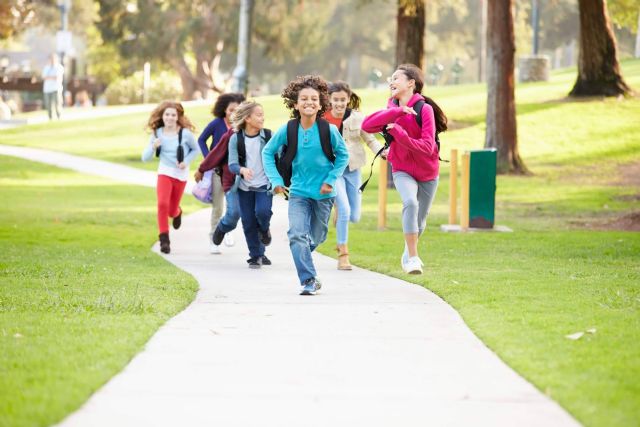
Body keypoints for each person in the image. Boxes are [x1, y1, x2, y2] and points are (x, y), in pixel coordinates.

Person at [262, 75, 349, 295]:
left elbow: (342, 156)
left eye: (314, 99)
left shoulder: (328, 130)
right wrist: (276, 181)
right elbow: (267, 152)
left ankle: (302, 255)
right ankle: (309, 280)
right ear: (295, 104)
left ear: (321, 104)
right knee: (296, 235)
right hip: (299, 192)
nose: (309, 102)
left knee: (317, 236)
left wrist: (330, 180)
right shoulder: (288, 129)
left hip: (324, 194)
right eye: (304, 99)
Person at [362, 64, 448, 275]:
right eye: (390, 78)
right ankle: (413, 257)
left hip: (428, 172)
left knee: (421, 220)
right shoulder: (392, 108)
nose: (391, 82)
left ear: (411, 83)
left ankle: (408, 254)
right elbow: (367, 126)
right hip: (401, 168)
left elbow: (428, 147)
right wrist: (397, 112)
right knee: (410, 203)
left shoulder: (424, 109)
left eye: (396, 78)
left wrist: (400, 134)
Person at [323, 81, 383, 270]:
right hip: (333, 171)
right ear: (329, 100)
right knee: (345, 210)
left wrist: (381, 152)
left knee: (354, 216)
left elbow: (370, 139)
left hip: (353, 169)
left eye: (343, 100)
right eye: (335, 100)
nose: (339, 104)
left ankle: (338, 211)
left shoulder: (358, 118)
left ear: (348, 99)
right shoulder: (322, 119)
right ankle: (343, 255)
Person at [142, 101, 199, 254]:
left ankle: (177, 212)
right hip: (164, 172)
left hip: (180, 175)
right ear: (162, 116)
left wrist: (186, 162)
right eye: (167, 114)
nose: (170, 117)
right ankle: (164, 239)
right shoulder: (157, 133)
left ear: (178, 117)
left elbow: (196, 150)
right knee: (162, 204)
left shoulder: (185, 134)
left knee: (171, 210)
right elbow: (145, 158)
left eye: (173, 115)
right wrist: (153, 147)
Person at [227, 101, 274, 268]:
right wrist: (242, 169)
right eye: (259, 115)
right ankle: (256, 256)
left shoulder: (269, 136)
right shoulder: (236, 139)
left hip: (263, 186)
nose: (263, 118)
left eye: (263, 114)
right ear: (247, 118)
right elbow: (232, 164)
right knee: (248, 222)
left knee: (262, 213)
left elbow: (281, 156)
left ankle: (265, 229)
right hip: (244, 188)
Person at [198, 93, 245, 254]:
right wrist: (208, 158)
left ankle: (227, 230)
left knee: (234, 207)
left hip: (236, 174)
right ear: (224, 110)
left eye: (237, 110)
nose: (233, 113)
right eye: (231, 109)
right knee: (218, 206)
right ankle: (213, 238)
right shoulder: (216, 124)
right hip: (217, 171)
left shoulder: (243, 127)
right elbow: (201, 140)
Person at [41, 54, 64, 120]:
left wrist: (49, 77)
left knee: (57, 103)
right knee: (48, 104)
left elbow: (56, 77)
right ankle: (50, 117)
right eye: (51, 59)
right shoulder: (46, 68)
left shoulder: (59, 67)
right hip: (47, 89)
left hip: (56, 88)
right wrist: (51, 77)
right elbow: (44, 77)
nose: (52, 60)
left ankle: (59, 116)